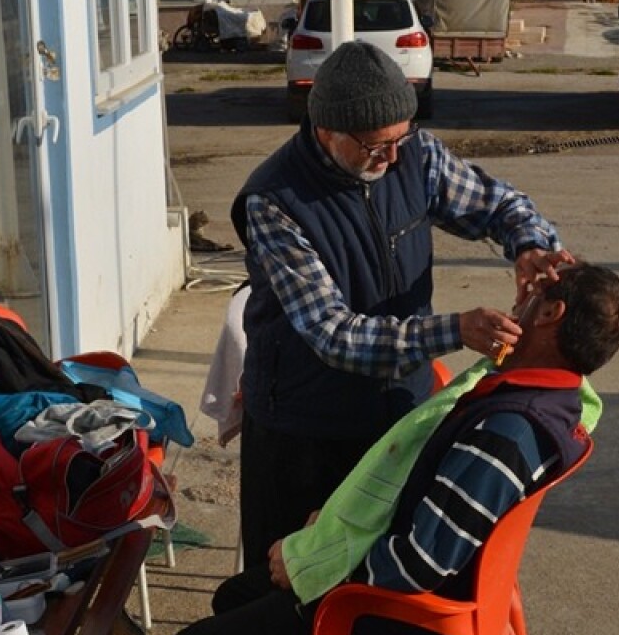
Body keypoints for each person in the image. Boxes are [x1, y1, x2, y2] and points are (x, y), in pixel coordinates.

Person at [161, 263, 619, 635]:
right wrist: (327, 532)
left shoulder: (508, 431)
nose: (518, 300)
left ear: (552, 315)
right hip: (426, 595)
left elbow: (418, 564)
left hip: (402, 617)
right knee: (237, 595)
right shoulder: (553, 396)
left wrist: (316, 566)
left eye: (532, 296)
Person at [229, 40, 576, 566]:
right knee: (279, 579)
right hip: (304, 426)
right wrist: (454, 330)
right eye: (375, 146)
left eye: (400, 139)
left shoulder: (415, 155)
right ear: (327, 130)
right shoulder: (274, 201)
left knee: (367, 567)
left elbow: (500, 204)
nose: (391, 158)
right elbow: (333, 334)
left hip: (398, 416)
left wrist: (530, 245)